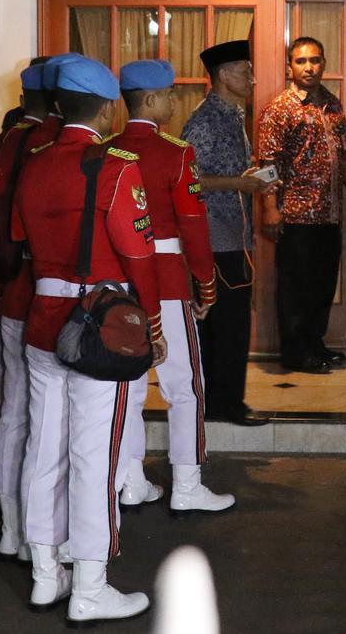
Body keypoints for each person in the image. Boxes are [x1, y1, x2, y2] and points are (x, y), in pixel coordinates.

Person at [13, 56, 161, 623]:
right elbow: (139, 255)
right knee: (93, 458)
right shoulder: (117, 166)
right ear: (106, 109)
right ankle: (91, 586)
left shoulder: (35, 163)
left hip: (44, 318)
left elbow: (22, 239)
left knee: (43, 449)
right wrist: (150, 324)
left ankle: (46, 575)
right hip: (102, 329)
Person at [112, 59, 236, 515]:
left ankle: (130, 479)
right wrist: (205, 283)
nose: (171, 101)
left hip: (119, 282)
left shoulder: (107, 150)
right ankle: (186, 483)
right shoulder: (175, 152)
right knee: (183, 385)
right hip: (164, 278)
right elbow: (193, 228)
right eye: (166, 95)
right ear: (149, 99)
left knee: (129, 387)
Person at [259, 36, 346, 374]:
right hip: (296, 215)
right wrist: (270, 208)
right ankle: (295, 352)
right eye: (301, 61)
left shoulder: (332, 104)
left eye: (315, 60)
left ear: (324, 63)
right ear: (290, 66)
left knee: (322, 285)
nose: (309, 67)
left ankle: (315, 344)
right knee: (296, 289)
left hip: (328, 214)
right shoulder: (281, 108)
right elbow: (267, 163)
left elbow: (344, 156)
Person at [0, 61, 53, 561]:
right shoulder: (54, 144)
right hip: (44, 296)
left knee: (12, 409)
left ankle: (11, 521)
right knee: (44, 419)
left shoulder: (11, 139)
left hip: (8, 287)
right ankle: (33, 529)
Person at [181, 39, 273, 425]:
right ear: (222, 76)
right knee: (225, 326)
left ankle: (225, 401)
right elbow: (189, 180)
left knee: (233, 324)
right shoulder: (205, 120)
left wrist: (246, 179)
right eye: (243, 70)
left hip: (235, 235)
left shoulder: (233, 114)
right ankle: (222, 404)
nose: (251, 78)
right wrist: (239, 182)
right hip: (215, 239)